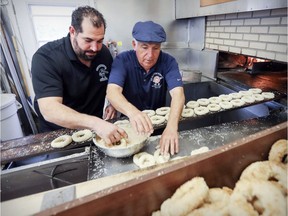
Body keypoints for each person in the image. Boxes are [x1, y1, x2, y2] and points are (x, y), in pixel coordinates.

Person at [31, 6, 127, 145]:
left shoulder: (103, 53)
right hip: (60, 134)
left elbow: (112, 84)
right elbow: (49, 109)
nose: (95, 48)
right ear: (72, 31)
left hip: (96, 130)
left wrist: (113, 103)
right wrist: (95, 123)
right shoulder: (46, 58)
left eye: (99, 41)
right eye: (88, 40)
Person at [106, 21, 185, 155]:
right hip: (129, 125)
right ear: (134, 45)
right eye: (144, 47)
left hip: (158, 125)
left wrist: (172, 127)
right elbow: (112, 91)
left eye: (156, 48)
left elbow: (178, 94)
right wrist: (134, 113)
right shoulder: (122, 60)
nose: (150, 55)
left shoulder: (168, 62)